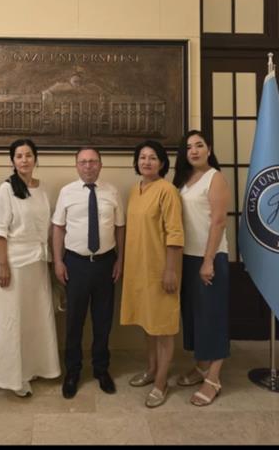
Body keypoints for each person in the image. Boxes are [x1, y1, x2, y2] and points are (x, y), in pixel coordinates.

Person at [0, 139, 60, 397]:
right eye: (19, 156)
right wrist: (3, 265)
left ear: (35, 158)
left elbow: (47, 228)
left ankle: (33, 367)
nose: (24, 160)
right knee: (12, 320)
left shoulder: (42, 188)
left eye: (28, 155)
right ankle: (13, 376)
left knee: (35, 318)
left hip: (38, 262)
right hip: (14, 263)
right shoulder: (7, 189)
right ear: (12, 161)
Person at [52, 147, 125, 399]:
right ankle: (72, 371)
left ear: (101, 165)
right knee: (74, 321)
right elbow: (58, 228)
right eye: (83, 162)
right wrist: (58, 261)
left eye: (93, 161)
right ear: (76, 165)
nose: (88, 166)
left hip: (105, 263)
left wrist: (121, 260)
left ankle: (101, 369)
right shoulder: (66, 192)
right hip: (75, 264)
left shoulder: (112, 192)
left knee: (103, 320)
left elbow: (120, 228)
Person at [120, 140, 184, 408]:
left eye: (153, 158)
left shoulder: (167, 191)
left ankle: (161, 383)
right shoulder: (135, 190)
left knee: (164, 328)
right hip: (139, 269)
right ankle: (151, 369)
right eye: (142, 157)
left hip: (161, 270)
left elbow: (175, 233)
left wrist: (170, 270)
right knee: (148, 324)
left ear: (162, 163)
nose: (146, 162)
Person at [173, 130, 230, 406]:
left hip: (210, 258)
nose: (194, 150)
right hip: (187, 257)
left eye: (199, 145)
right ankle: (202, 366)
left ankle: (214, 378)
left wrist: (208, 260)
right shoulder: (184, 180)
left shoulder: (214, 177)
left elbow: (219, 221)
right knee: (195, 316)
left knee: (212, 317)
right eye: (189, 147)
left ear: (209, 149)